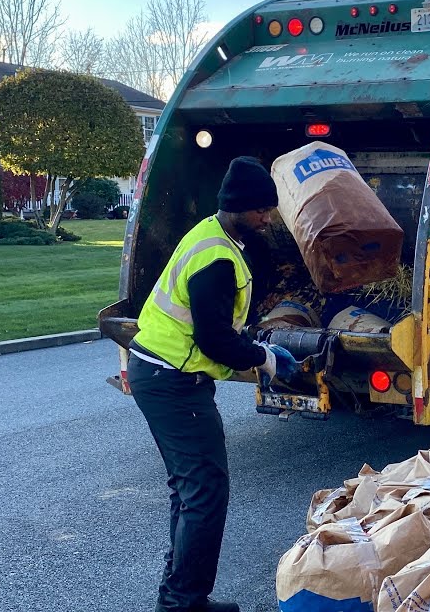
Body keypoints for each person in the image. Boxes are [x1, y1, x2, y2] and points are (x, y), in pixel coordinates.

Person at [128, 156, 297, 612]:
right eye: (261, 210)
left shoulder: (212, 235)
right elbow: (214, 339)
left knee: (191, 491)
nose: (267, 218)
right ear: (239, 207)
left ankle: (181, 596)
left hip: (160, 373)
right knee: (204, 492)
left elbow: (216, 327)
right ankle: (183, 601)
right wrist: (266, 360)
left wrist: (253, 345)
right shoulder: (219, 258)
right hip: (173, 381)